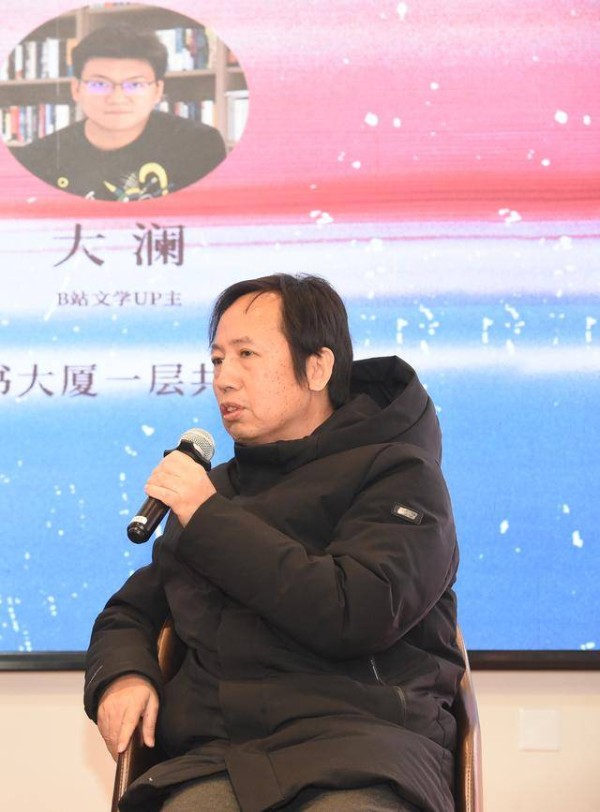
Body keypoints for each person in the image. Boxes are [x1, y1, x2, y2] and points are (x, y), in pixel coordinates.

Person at [84, 274, 464, 812]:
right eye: (218, 360)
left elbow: (356, 611)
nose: (224, 379)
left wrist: (210, 519)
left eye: (246, 355)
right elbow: (131, 611)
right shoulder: (214, 493)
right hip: (222, 756)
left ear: (318, 367)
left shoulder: (400, 475)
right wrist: (123, 675)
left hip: (365, 747)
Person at [9, 24, 226, 201]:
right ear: (76, 89)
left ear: (158, 90)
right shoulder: (36, 159)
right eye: (99, 84)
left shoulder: (199, 146)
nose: (116, 98)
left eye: (135, 85)